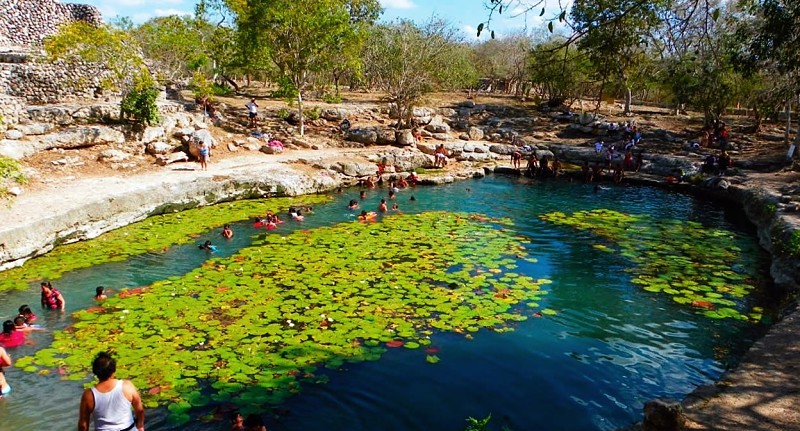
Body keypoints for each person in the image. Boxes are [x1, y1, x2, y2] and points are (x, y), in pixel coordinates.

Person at [78, 352, 145, 431]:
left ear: (95, 372)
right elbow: (140, 410)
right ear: (114, 369)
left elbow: (83, 425)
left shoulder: (89, 395)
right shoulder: (127, 386)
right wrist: (140, 426)